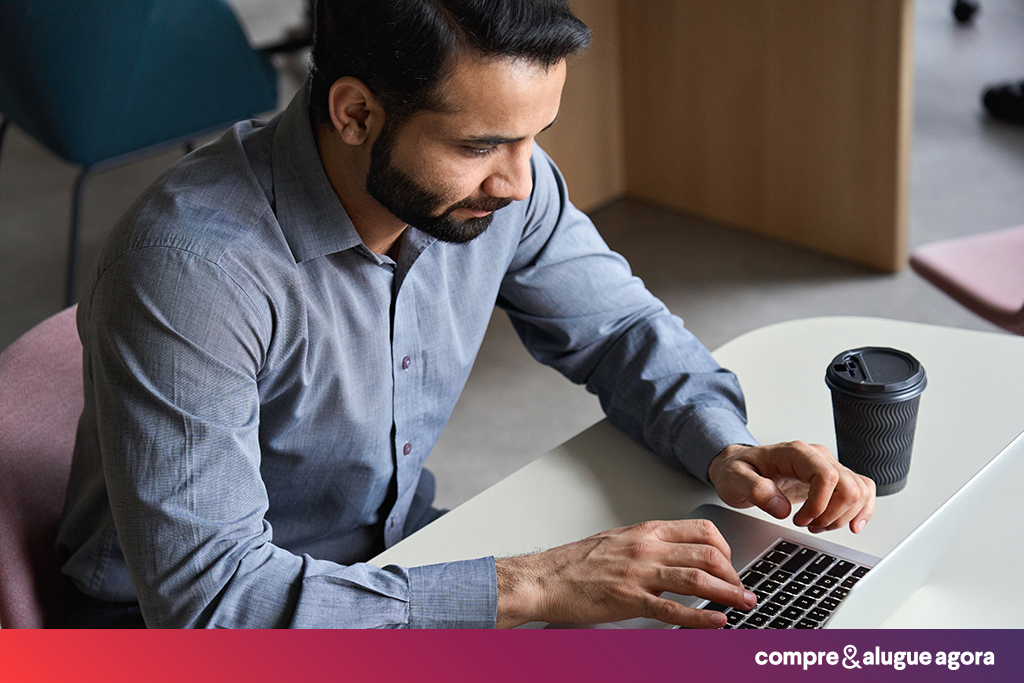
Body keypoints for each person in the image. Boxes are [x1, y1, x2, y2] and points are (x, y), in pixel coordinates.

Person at [55, 0, 875, 629]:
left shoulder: (503, 185)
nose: (520, 181)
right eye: (481, 145)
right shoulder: (194, 270)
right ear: (355, 113)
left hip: (399, 560)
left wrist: (723, 444)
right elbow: (213, 601)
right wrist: (533, 583)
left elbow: (620, 332)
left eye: (534, 136)